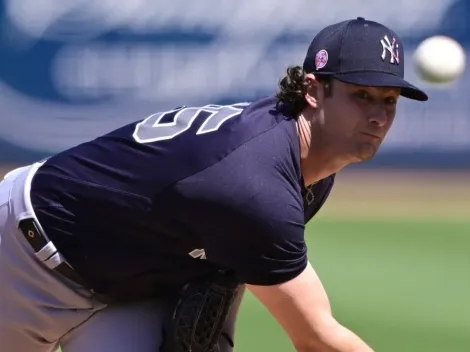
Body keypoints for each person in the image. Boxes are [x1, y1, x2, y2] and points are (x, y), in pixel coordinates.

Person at [0, 17, 427, 352]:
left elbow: (233, 257)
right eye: (361, 95)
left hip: (126, 290)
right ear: (314, 90)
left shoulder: (310, 163)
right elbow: (317, 339)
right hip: (25, 258)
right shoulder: (256, 183)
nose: (378, 115)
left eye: (389, 100)